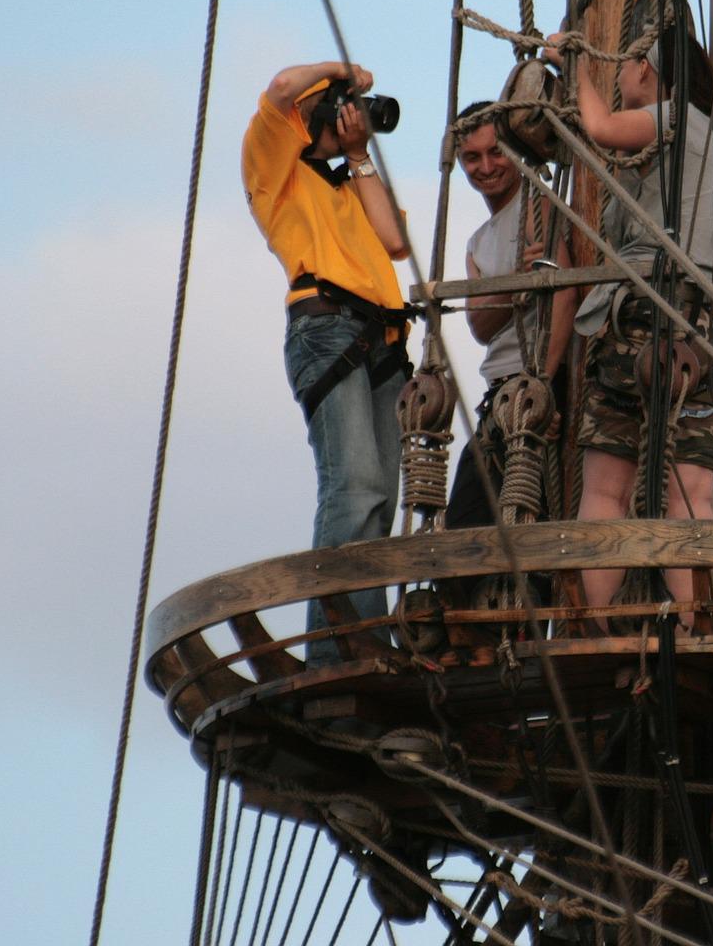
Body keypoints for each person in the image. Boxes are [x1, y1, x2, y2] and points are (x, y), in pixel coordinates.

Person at [541, 19, 713, 616]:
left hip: (650, 318)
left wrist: (573, 64)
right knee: (692, 495)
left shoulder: (677, 117)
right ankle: (687, 627)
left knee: (606, 490)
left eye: (626, 64)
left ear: (648, 70)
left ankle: (599, 628)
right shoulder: (707, 147)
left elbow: (601, 128)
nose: (618, 74)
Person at [242, 60, 410, 661]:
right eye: (339, 110)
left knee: (381, 497)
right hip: (327, 328)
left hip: (382, 339)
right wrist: (345, 72)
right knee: (354, 484)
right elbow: (283, 87)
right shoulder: (275, 174)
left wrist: (360, 153)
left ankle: (363, 637)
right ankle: (337, 651)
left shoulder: (347, 183)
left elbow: (395, 242)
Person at [445, 103, 576, 528]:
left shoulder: (539, 206)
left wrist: (545, 386)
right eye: (471, 157)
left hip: (540, 386)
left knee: (537, 529)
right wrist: (518, 282)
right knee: (464, 527)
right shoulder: (477, 243)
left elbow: (565, 294)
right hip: (500, 398)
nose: (486, 167)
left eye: (496, 151)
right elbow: (479, 327)